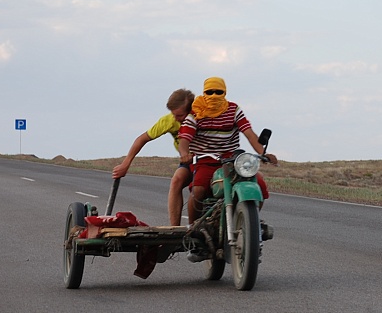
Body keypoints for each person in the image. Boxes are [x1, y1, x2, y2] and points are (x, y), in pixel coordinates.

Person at [177, 76, 277, 225]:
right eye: (210, 92)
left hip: (232, 161)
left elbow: (249, 134)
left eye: (219, 92)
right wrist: (184, 154)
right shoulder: (196, 112)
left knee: (259, 183)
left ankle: (251, 222)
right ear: (204, 93)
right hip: (205, 161)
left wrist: (263, 153)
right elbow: (184, 139)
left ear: (225, 92)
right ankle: (193, 228)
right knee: (198, 190)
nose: (214, 96)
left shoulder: (233, 110)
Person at [112, 88, 194, 226]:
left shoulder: (201, 116)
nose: (175, 118)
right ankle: (174, 229)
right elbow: (142, 139)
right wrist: (125, 164)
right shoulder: (169, 121)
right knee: (176, 181)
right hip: (188, 162)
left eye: (179, 115)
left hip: (206, 160)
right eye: (173, 114)